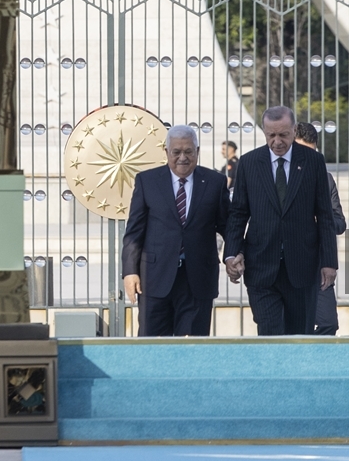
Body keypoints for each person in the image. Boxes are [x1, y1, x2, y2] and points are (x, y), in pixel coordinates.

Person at [224, 106, 337, 335]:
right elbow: (238, 214)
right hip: (262, 267)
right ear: (264, 132)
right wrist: (231, 253)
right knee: (270, 334)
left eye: (283, 135)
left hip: (302, 268)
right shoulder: (248, 163)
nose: (277, 141)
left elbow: (325, 215)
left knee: (299, 337)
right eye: (271, 135)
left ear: (294, 130)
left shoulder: (313, 162)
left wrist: (329, 262)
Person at [122, 125, 229, 336]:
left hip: (197, 280)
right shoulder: (147, 181)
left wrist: (234, 255)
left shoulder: (215, 182)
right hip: (154, 279)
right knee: (152, 346)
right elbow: (134, 231)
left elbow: (226, 226)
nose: (183, 158)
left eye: (188, 151)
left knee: (193, 348)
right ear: (166, 152)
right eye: (176, 152)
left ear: (197, 152)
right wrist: (130, 271)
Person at [294, 121, 346, 336]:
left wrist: (320, 218)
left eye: (312, 152)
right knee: (291, 327)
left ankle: (313, 364)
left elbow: (339, 222)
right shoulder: (276, 178)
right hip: (284, 265)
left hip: (318, 267)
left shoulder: (325, 180)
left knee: (328, 323)